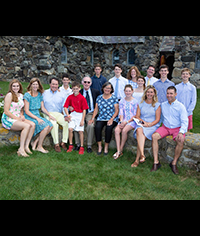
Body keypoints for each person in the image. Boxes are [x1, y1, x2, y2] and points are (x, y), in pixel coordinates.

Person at [151, 86, 189, 175]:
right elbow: (160, 119)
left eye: (171, 93)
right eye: (168, 93)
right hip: (166, 127)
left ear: (175, 94)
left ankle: (174, 163)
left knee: (181, 140)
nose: (169, 95)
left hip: (177, 128)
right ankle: (156, 162)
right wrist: (153, 126)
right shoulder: (163, 105)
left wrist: (181, 132)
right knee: (154, 136)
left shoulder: (181, 106)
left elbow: (184, 121)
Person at [1, 79, 35, 157]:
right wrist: (17, 118)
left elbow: (21, 109)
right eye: (14, 86)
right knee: (26, 126)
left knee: (32, 124)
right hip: (8, 118)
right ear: (11, 87)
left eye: (17, 86)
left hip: (18, 117)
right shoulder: (9, 95)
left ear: (19, 87)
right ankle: (21, 149)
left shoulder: (20, 95)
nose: (15, 88)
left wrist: (22, 115)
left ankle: (26, 146)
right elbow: (6, 111)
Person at [131, 85, 161, 168]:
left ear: (154, 93)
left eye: (151, 92)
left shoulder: (157, 105)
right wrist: (144, 123)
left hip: (152, 126)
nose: (149, 93)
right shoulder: (141, 104)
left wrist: (149, 124)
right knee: (139, 130)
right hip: (142, 124)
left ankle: (137, 159)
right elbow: (137, 116)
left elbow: (157, 119)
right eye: (148, 92)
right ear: (145, 93)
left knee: (140, 137)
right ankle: (142, 154)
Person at [24, 78, 54, 154]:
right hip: (29, 116)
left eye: (36, 84)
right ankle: (39, 146)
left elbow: (42, 108)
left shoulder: (39, 94)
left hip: (37, 114)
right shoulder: (27, 95)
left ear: (39, 85)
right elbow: (26, 111)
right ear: (30, 85)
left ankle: (35, 142)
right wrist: (37, 119)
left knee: (50, 125)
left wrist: (49, 115)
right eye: (33, 84)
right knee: (46, 126)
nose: (35, 86)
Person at [89, 82, 119, 155]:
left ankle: (106, 147)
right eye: (106, 88)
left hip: (111, 118)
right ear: (103, 88)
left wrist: (112, 119)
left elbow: (117, 110)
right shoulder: (99, 97)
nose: (107, 89)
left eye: (109, 88)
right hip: (101, 117)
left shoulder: (114, 98)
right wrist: (92, 118)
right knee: (97, 127)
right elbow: (96, 109)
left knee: (109, 128)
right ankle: (99, 146)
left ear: (111, 89)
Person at [74, 77, 100, 153]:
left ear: (91, 83)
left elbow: (97, 106)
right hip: (79, 112)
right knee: (76, 124)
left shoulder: (96, 92)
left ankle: (89, 145)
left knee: (91, 125)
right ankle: (78, 144)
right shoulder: (78, 92)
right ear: (82, 82)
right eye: (85, 82)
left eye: (88, 82)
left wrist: (93, 118)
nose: (86, 84)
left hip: (90, 113)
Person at [43, 77, 69, 152]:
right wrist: (48, 115)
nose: (54, 86)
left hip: (58, 113)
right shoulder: (44, 93)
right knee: (54, 124)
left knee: (66, 122)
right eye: (53, 84)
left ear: (58, 85)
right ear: (50, 84)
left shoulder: (62, 94)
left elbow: (64, 106)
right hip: (48, 113)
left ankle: (63, 142)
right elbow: (42, 106)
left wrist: (65, 115)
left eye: (56, 84)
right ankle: (56, 144)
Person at [113, 85, 138, 160]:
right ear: (124, 91)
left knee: (124, 131)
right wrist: (121, 121)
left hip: (131, 121)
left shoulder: (135, 101)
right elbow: (121, 113)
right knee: (117, 130)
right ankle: (118, 150)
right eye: (126, 91)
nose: (128, 92)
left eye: (129, 91)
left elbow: (135, 115)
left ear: (132, 91)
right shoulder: (122, 101)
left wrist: (126, 122)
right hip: (123, 120)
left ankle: (120, 150)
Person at [64, 81, 89, 155]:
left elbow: (84, 110)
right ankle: (71, 145)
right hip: (73, 114)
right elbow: (65, 107)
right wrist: (68, 115)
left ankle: (81, 146)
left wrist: (82, 120)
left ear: (79, 88)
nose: (75, 90)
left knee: (80, 131)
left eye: (76, 89)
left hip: (80, 115)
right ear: (72, 89)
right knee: (70, 129)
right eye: (74, 89)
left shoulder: (82, 98)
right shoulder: (70, 97)